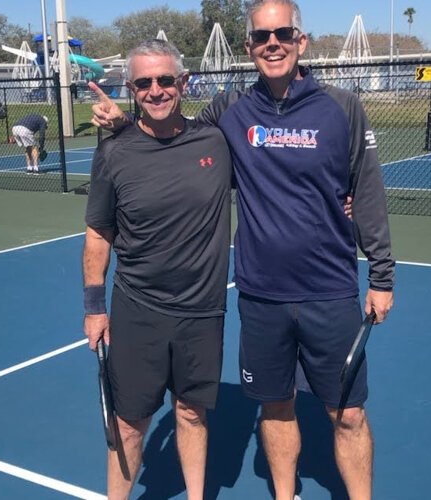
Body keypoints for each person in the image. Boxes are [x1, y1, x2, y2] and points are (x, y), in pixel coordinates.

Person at [91, 2, 395, 499]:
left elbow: (367, 193)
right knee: (276, 408)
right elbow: (171, 130)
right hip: (260, 296)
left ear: (301, 41)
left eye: (282, 33)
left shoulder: (341, 108)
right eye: (260, 37)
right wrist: (124, 123)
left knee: (349, 413)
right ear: (249, 47)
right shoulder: (230, 110)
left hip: (330, 292)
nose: (271, 43)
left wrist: (381, 274)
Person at [82, 39, 232, 499]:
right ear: (131, 88)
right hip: (138, 311)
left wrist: (340, 200)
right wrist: (94, 307)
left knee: (191, 414)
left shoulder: (215, 140)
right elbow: (98, 235)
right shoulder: (114, 152)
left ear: (183, 84)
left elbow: (281, 170)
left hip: (202, 312)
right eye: (144, 82)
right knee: (128, 425)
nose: (156, 90)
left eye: (165, 79)